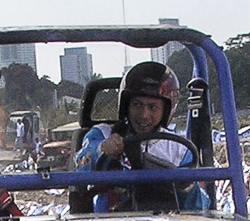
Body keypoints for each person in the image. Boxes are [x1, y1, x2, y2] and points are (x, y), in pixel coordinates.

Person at [73, 62, 209, 212]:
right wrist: (102, 149)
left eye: (152, 107)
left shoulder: (180, 149)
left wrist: (186, 187)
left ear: (166, 110)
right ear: (126, 105)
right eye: (137, 105)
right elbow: (80, 165)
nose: (144, 115)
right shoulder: (102, 134)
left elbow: (200, 207)